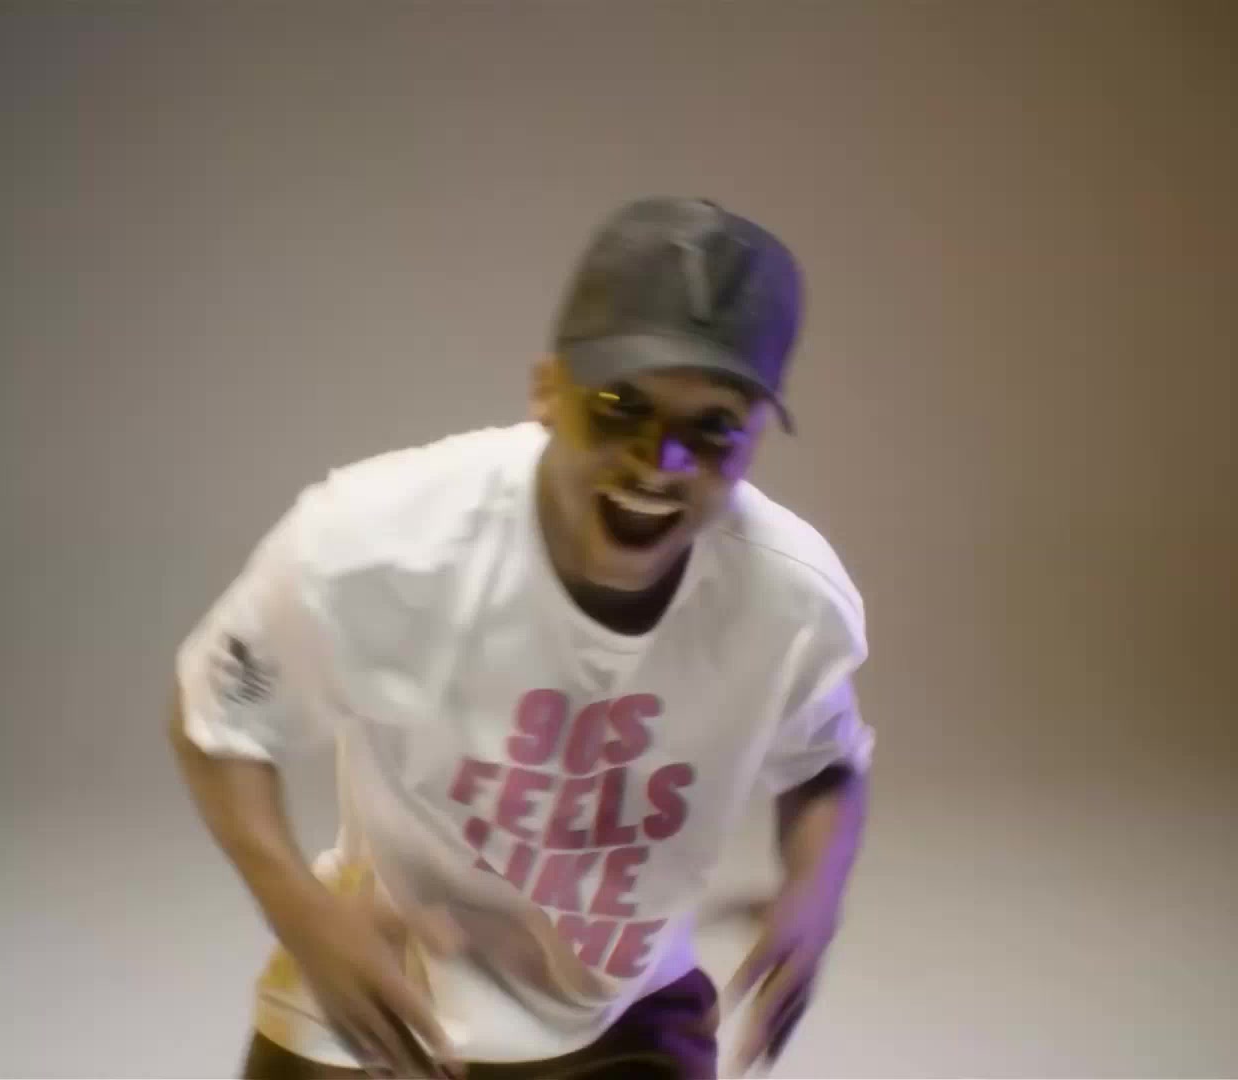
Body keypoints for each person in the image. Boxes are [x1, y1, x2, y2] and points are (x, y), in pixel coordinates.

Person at [170, 195, 873, 1079]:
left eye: (714, 427)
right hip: (384, 987)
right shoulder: (378, 546)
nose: (663, 461)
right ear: (547, 389)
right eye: (620, 404)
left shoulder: (789, 598)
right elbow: (217, 718)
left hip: (617, 1018)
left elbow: (826, 763)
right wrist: (304, 915)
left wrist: (816, 891)